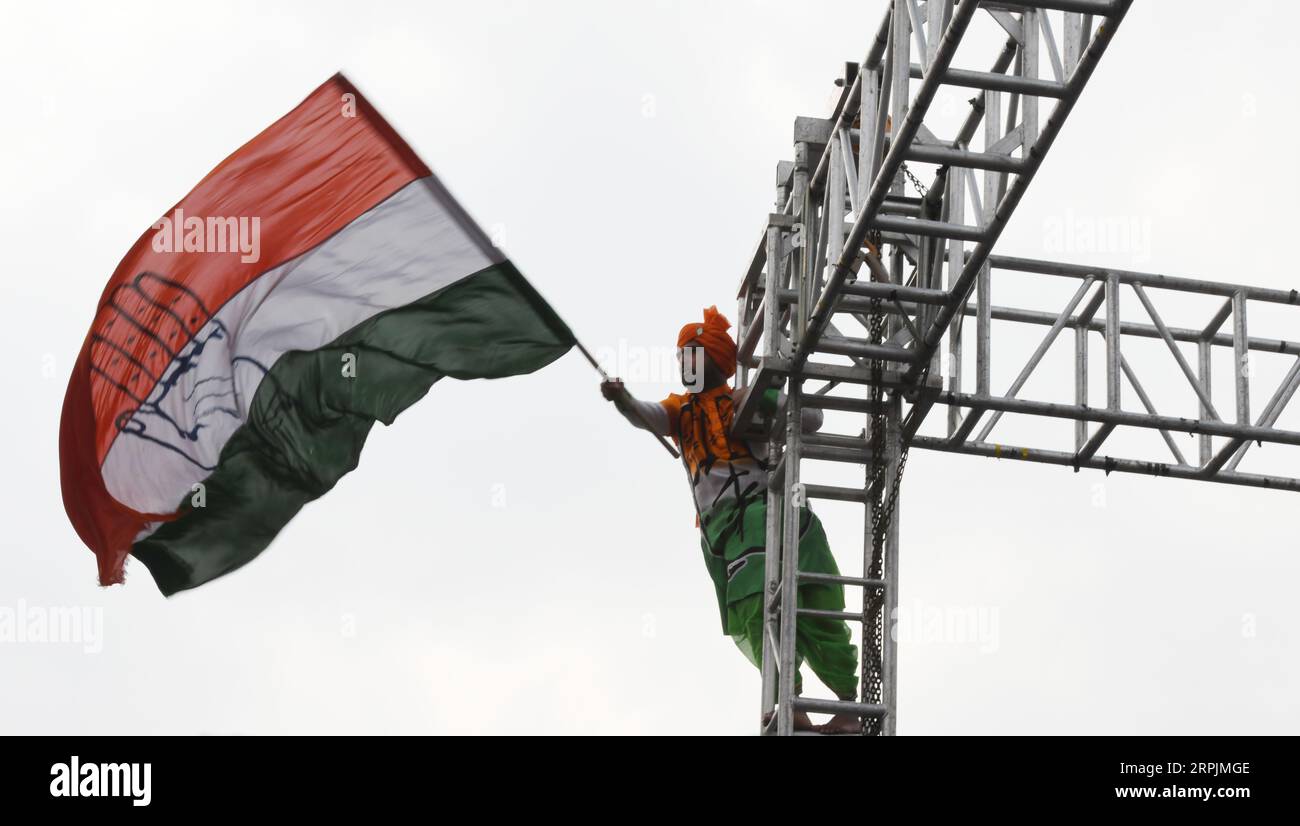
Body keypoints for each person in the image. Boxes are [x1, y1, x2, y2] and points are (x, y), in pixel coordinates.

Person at [601, 306, 861, 734]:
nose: (685, 364)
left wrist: (767, 399)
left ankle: (848, 708)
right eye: (681, 356)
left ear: (715, 358)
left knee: (810, 605)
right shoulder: (681, 411)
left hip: (767, 515)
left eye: (692, 354)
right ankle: (791, 705)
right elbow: (645, 415)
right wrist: (623, 398)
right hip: (724, 536)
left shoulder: (741, 401)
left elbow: (809, 421)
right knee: (759, 613)